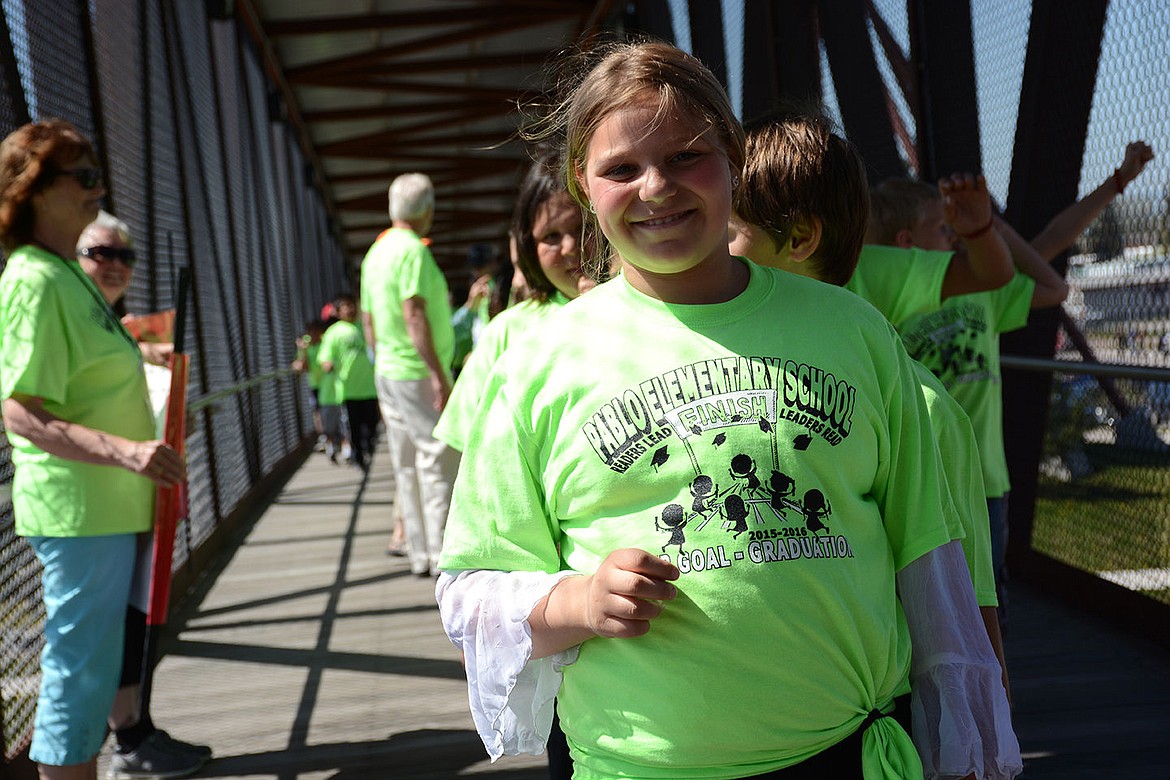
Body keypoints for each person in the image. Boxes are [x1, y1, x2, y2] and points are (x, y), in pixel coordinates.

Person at [436, 41, 1016, 779]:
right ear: (583, 187)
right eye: (621, 169)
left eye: (686, 157)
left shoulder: (852, 330)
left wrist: (968, 736)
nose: (656, 188)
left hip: (846, 751)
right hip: (640, 766)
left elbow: (927, 553)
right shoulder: (533, 365)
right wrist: (577, 600)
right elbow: (472, 593)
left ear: (733, 159)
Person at [728, 112, 1011, 705]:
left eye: (726, 232)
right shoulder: (719, 381)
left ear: (801, 238)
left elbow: (968, 607)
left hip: (872, 716)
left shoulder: (923, 411)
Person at [0, 119, 190, 780]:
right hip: (80, 512)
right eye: (83, 176)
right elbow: (21, 412)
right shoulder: (33, 279)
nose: (97, 188)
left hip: (108, 507)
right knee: (76, 680)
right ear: (35, 189)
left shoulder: (65, 274)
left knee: (91, 672)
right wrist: (128, 451)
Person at [868, 177, 1069, 622]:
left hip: (983, 481)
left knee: (985, 602)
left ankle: (991, 687)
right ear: (906, 242)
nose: (953, 235)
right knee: (921, 604)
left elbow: (1053, 285)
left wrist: (989, 227)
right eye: (943, 230)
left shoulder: (980, 293)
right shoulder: (884, 303)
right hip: (919, 483)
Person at [74, 212, 214, 777]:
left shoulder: (110, 322)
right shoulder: (73, 314)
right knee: (105, 628)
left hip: (132, 493)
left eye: (124, 257)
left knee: (135, 617)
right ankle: (123, 739)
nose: (113, 265)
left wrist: (139, 345)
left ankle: (135, 730)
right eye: (98, 252)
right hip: (90, 501)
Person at [433, 151, 583, 454]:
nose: (571, 247)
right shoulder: (506, 332)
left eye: (583, 228)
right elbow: (468, 439)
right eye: (551, 236)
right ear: (529, 248)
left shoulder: (658, 307)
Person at [359, 173, 457, 577]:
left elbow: (368, 319)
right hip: (416, 371)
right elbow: (413, 312)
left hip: (388, 370)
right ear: (427, 210)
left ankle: (418, 553)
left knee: (404, 463)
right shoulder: (413, 252)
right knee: (436, 458)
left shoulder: (374, 253)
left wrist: (381, 361)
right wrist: (437, 373)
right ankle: (440, 554)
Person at [1030, 140, 1154, 262]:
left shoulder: (1019, 262)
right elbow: (1050, 240)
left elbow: (1050, 240)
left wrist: (1122, 177)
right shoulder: (1019, 264)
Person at [318, 293, 379, 470]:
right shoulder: (334, 332)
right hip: (348, 389)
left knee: (372, 424)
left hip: (369, 387)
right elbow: (325, 358)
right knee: (354, 427)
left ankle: (368, 449)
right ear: (337, 312)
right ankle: (358, 457)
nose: (350, 309)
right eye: (345, 306)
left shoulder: (364, 327)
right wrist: (327, 364)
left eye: (352, 305)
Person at [291, 318, 328, 447]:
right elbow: (304, 367)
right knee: (317, 412)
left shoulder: (325, 342)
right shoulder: (305, 345)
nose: (311, 334)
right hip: (315, 384)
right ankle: (324, 437)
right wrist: (302, 351)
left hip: (329, 384)